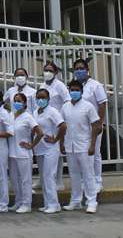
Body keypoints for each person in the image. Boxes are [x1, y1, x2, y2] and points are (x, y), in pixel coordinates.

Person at [61, 80, 101, 214]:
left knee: (88, 174)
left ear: (81, 92)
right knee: (74, 174)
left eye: (77, 90)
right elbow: (62, 126)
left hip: (84, 145)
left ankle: (91, 201)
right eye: (72, 89)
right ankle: (75, 200)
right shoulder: (65, 107)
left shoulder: (88, 106)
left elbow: (96, 126)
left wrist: (92, 145)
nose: (74, 92)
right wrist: (61, 143)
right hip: (70, 145)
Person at [73, 58, 108, 191]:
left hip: (93, 125)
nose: (79, 70)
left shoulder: (95, 85)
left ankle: (97, 180)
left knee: (95, 153)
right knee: (82, 154)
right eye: (77, 69)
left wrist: (99, 123)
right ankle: (85, 180)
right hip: (80, 126)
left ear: (87, 70)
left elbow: (102, 103)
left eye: (82, 68)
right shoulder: (74, 86)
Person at [7, 92, 42, 214]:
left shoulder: (28, 116)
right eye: (15, 100)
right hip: (12, 153)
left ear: (24, 103)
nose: (16, 103)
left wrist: (31, 144)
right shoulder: (10, 115)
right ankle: (18, 201)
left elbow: (39, 132)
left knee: (25, 180)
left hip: (23, 153)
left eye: (19, 101)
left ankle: (26, 204)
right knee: (14, 179)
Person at [33, 88, 66, 214]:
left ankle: (54, 204)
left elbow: (63, 126)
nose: (40, 100)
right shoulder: (36, 112)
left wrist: (56, 139)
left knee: (49, 176)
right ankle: (47, 203)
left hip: (50, 149)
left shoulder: (52, 111)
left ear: (48, 99)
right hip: (40, 149)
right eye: (38, 98)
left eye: (43, 98)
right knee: (43, 177)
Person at [39, 62, 70, 190]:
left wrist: (62, 116)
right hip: (45, 122)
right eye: (45, 70)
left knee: (57, 152)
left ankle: (58, 181)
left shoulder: (60, 86)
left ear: (56, 73)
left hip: (57, 121)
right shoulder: (42, 85)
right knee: (43, 152)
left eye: (50, 70)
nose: (47, 73)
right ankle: (42, 180)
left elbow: (67, 101)